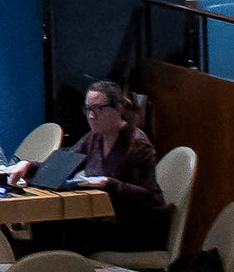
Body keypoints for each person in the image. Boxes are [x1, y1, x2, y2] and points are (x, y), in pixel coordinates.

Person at [57, 79, 167, 252]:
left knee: (71, 229)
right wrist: (28, 167)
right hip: (107, 220)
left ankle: (66, 268)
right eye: (88, 109)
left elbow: (151, 197)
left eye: (99, 109)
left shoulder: (137, 145)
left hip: (139, 227)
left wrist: (109, 183)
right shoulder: (93, 138)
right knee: (52, 224)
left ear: (118, 109)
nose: (91, 116)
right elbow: (63, 166)